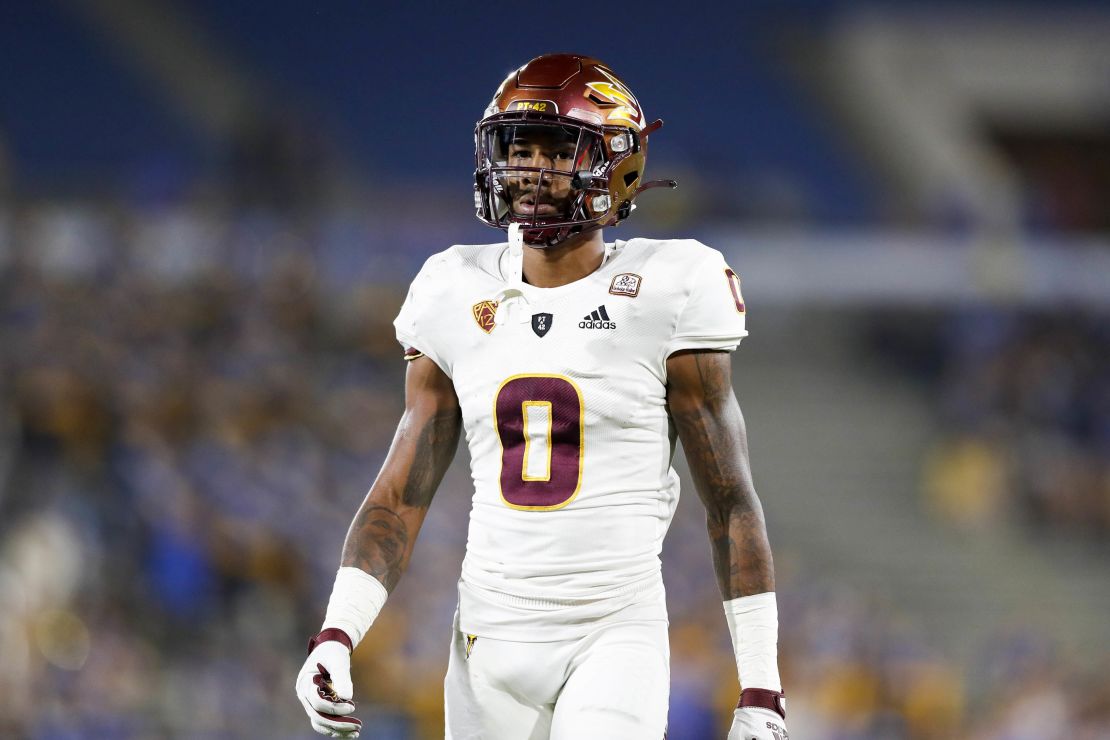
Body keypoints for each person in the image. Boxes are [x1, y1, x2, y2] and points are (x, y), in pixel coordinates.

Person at [295, 53, 788, 740]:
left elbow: (730, 501)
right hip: (486, 641)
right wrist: (337, 633)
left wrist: (760, 683)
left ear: (616, 164)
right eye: (516, 148)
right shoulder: (452, 286)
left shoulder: (671, 285)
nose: (528, 168)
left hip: (612, 631)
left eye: (555, 151)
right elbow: (402, 492)